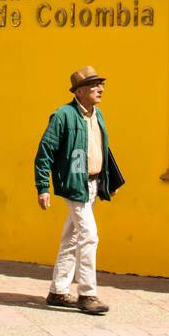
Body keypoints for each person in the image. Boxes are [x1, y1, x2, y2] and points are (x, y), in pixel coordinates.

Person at [34, 65, 124, 315]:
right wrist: (43, 187)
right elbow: (44, 153)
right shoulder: (63, 115)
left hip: (94, 184)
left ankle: (58, 291)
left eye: (101, 84)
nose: (101, 89)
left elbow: (103, 149)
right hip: (75, 185)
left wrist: (108, 181)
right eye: (95, 85)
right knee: (89, 236)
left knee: (71, 238)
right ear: (80, 91)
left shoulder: (98, 114)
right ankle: (87, 294)